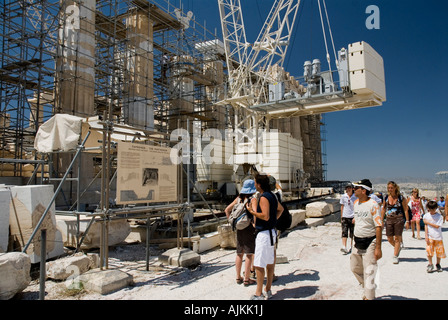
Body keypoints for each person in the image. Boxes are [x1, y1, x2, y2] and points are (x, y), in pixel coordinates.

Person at [245, 173, 283, 300]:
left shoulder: (263, 197)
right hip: (271, 232)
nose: (254, 184)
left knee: (259, 264)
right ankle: (268, 289)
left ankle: (258, 293)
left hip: (264, 234)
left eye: (255, 182)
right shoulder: (272, 195)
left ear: (259, 184)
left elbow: (265, 216)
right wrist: (273, 221)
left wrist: (252, 212)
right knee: (270, 263)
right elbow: (280, 209)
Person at [350, 179, 382, 300]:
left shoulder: (373, 205)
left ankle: (369, 296)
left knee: (369, 271)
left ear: (364, 191)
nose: (354, 189)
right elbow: (358, 219)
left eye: (356, 188)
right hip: (357, 241)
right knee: (354, 268)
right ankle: (369, 286)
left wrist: (378, 248)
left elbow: (378, 226)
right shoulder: (356, 203)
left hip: (370, 241)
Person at [224, 179, 257, 286]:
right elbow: (255, 214)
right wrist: (255, 226)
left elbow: (226, 210)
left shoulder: (238, 198)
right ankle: (247, 279)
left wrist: (231, 222)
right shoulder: (252, 199)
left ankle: (238, 277)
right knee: (249, 254)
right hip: (248, 228)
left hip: (239, 228)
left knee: (239, 253)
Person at [381, 181, 409, 264]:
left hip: (399, 220)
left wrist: (407, 221)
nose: (390, 189)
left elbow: (405, 209)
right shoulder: (386, 197)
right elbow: (383, 209)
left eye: (391, 188)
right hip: (389, 219)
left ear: (395, 188)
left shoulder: (401, 198)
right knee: (389, 238)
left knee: (397, 238)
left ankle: (395, 255)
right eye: (389, 188)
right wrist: (381, 220)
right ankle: (397, 247)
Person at [423, 200, 446, 273]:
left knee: (439, 251)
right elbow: (426, 226)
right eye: (430, 209)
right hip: (430, 236)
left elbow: (437, 226)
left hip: (438, 236)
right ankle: (430, 263)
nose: (432, 211)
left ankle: (438, 264)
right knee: (429, 251)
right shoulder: (426, 215)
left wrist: (428, 222)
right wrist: (426, 235)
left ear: (436, 208)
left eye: (433, 209)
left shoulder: (439, 216)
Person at [340, 184, 356, 254]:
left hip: (352, 217)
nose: (348, 190)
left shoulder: (355, 197)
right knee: (344, 232)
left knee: (352, 233)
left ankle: (352, 247)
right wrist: (341, 217)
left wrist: (356, 217)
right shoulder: (343, 196)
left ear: (352, 189)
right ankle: (344, 246)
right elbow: (342, 206)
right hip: (345, 216)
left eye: (349, 188)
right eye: (347, 188)